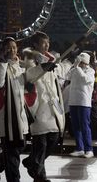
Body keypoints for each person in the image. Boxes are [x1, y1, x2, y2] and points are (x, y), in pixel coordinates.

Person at [23, 31, 66, 182]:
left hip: (52, 105)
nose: (47, 45)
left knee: (54, 138)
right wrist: (43, 67)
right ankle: (40, 176)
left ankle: (32, 163)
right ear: (35, 44)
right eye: (43, 42)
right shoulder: (30, 58)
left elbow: (60, 76)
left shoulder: (52, 58)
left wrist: (56, 65)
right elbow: (29, 76)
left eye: (48, 42)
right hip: (39, 105)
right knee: (40, 142)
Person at [0, 37, 30, 182]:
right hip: (7, 119)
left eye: (14, 47)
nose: (12, 50)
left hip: (19, 117)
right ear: (3, 49)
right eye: (9, 47)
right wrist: (3, 62)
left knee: (20, 146)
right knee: (12, 155)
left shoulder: (20, 66)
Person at [67, 52, 95, 158]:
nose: (79, 63)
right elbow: (67, 77)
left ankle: (89, 149)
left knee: (84, 126)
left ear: (86, 62)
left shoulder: (90, 71)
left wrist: (77, 68)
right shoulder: (75, 69)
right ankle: (80, 148)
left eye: (81, 62)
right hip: (73, 101)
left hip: (84, 102)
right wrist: (74, 67)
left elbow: (85, 79)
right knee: (75, 126)